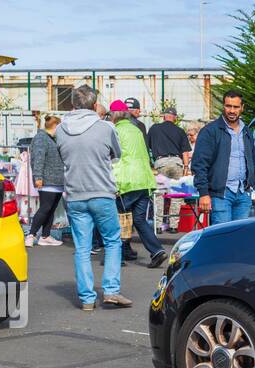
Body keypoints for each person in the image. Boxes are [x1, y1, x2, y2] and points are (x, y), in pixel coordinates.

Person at [54, 84, 132, 311]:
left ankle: (87, 298)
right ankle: (110, 290)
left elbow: (62, 155)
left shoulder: (60, 129)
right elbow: (117, 154)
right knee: (112, 241)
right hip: (101, 192)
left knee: (82, 248)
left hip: (75, 194)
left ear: (72, 104)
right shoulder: (105, 128)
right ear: (95, 104)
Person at [109, 100, 166, 268]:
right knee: (139, 219)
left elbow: (115, 158)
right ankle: (156, 250)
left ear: (113, 115)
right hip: (144, 179)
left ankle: (118, 256)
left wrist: (115, 183)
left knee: (119, 219)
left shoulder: (115, 131)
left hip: (127, 180)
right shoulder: (136, 129)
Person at [191, 88, 255, 225]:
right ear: (223, 106)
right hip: (221, 195)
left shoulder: (246, 131)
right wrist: (203, 193)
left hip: (243, 193)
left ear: (242, 108)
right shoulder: (210, 131)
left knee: (241, 238)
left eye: (236, 107)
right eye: (228, 106)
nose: (232, 110)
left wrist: (251, 182)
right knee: (222, 238)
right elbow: (199, 164)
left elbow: (252, 160)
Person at [26, 114, 65, 247]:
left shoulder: (53, 139)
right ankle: (31, 235)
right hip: (47, 181)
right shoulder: (41, 138)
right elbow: (38, 159)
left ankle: (45, 236)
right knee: (45, 208)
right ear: (55, 126)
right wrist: (38, 177)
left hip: (57, 181)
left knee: (50, 209)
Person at [147, 106, 191, 179]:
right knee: (176, 189)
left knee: (163, 189)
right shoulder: (180, 131)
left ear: (164, 117)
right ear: (175, 118)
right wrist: (186, 168)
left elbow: (147, 146)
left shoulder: (154, 128)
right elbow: (185, 152)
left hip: (161, 163)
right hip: (176, 163)